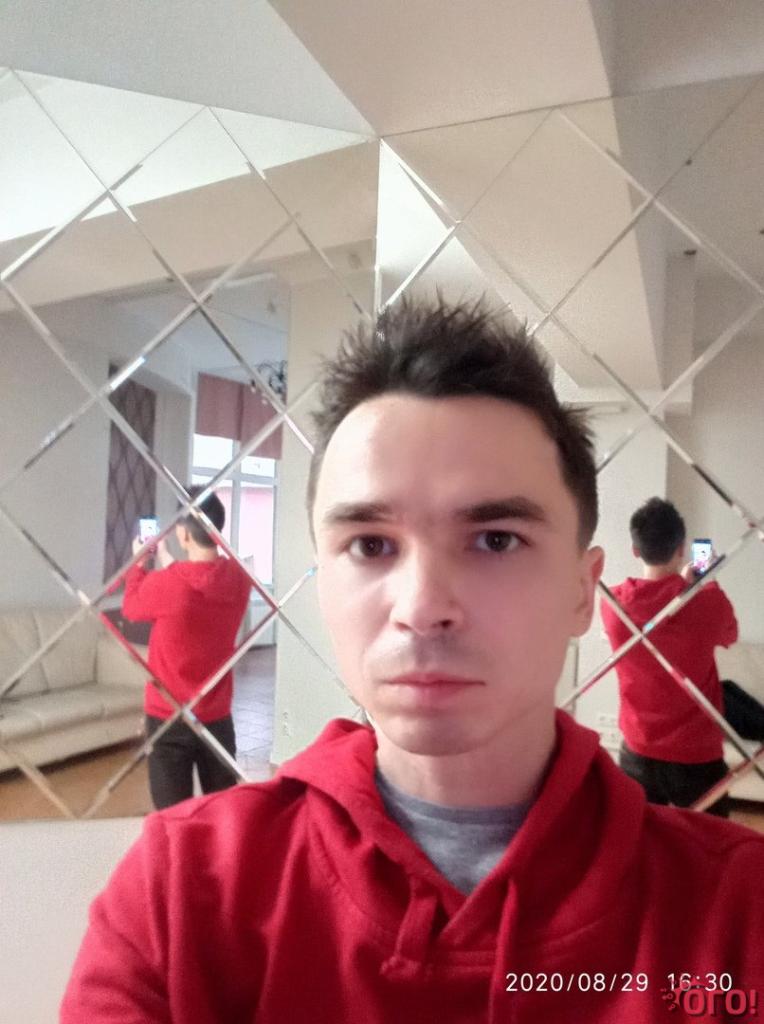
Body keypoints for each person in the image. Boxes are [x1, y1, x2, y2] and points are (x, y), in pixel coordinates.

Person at [62, 299, 763, 1023]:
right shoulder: (181, 892)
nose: (423, 606)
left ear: (583, 593)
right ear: (323, 586)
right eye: (370, 545)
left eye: (495, 540)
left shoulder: (737, 912)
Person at [600, 497, 738, 817]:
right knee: (710, 840)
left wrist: (688, 587)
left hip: (638, 749)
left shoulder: (613, 605)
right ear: (681, 549)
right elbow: (729, 636)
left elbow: (656, 610)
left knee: (643, 836)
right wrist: (702, 583)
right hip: (696, 755)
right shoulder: (706, 602)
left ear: (635, 550)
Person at [122, 486, 252, 809]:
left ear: (184, 534)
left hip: (168, 716)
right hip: (217, 716)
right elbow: (194, 584)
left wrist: (139, 562)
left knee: (172, 816)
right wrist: (166, 558)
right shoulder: (239, 578)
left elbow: (131, 607)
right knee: (221, 811)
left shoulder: (169, 584)